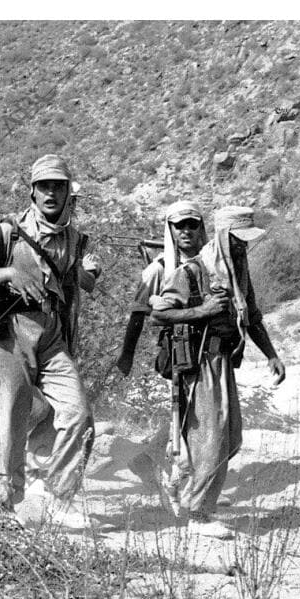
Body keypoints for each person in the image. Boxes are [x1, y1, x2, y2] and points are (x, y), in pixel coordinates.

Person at [0, 154, 100, 525]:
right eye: (44, 186)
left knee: (78, 414)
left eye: (59, 186)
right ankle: (5, 503)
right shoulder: (8, 232)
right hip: (10, 330)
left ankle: (59, 496)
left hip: (51, 334)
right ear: (33, 192)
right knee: (12, 420)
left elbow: (73, 286)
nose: (51, 193)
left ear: (69, 192)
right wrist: (9, 272)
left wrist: (86, 275)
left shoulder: (74, 238)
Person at [152, 205, 286, 537]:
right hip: (198, 364)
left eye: (246, 242)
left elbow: (251, 315)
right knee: (209, 438)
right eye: (238, 241)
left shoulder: (238, 270)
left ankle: (181, 484)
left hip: (223, 361)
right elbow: (160, 314)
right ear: (225, 237)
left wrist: (271, 354)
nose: (243, 247)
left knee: (230, 436)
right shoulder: (194, 271)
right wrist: (203, 310)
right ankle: (199, 513)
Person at [113, 199, 209, 489]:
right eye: (180, 226)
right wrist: (127, 354)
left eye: (192, 225)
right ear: (171, 230)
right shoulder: (159, 269)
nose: (187, 231)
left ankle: (154, 460)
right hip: (179, 350)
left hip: (208, 349)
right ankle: (171, 472)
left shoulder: (209, 262)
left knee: (199, 413)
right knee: (183, 410)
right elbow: (139, 312)